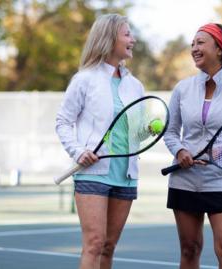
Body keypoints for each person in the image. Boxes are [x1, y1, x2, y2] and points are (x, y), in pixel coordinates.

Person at [163, 23, 222, 269]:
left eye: (201, 42)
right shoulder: (182, 89)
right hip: (185, 180)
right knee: (189, 249)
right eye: (193, 43)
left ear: (219, 48)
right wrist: (180, 151)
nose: (194, 48)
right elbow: (171, 132)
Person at [55, 14, 144, 269]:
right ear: (109, 38)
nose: (133, 40)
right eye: (127, 34)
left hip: (125, 175)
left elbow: (134, 133)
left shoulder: (135, 86)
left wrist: (147, 129)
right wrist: (78, 151)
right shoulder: (84, 79)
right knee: (94, 243)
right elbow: (62, 121)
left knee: (108, 248)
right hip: (92, 174)